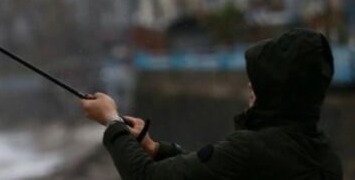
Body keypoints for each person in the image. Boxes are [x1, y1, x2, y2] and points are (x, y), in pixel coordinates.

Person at [81, 29, 342, 179]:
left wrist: (112, 121)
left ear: (279, 91)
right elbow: (216, 172)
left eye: (259, 81)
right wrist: (156, 149)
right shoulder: (324, 155)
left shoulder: (251, 149)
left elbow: (147, 177)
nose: (250, 86)